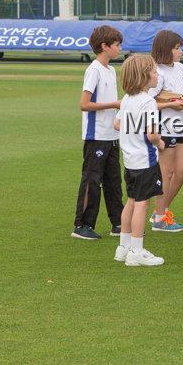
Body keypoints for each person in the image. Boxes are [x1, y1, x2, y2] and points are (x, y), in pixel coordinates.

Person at [112, 54, 166, 267]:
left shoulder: (126, 100)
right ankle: (136, 250)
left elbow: (117, 125)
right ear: (144, 77)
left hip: (130, 160)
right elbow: (152, 135)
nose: (157, 75)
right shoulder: (148, 102)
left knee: (132, 201)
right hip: (145, 160)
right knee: (142, 204)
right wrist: (160, 143)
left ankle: (124, 247)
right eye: (154, 71)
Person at [72, 25, 125, 241]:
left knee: (114, 181)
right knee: (92, 181)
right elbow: (84, 104)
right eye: (116, 45)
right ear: (104, 46)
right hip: (96, 136)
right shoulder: (93, 70)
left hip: (112, 135)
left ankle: (118, 222)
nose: (119, 48)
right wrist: (114, 103)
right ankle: (82, 225)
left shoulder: (111, 70)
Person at [148, 30, 183, 233]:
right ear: (165, 50)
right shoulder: (156, 72)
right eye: (176, 48)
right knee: (165, 172)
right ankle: (160, 218)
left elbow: (180, 95)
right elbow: (148, 101)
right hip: (163, 126)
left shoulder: (181, 68)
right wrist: (172, 104)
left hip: (180, 125)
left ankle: (160, 211)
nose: (181, 51)